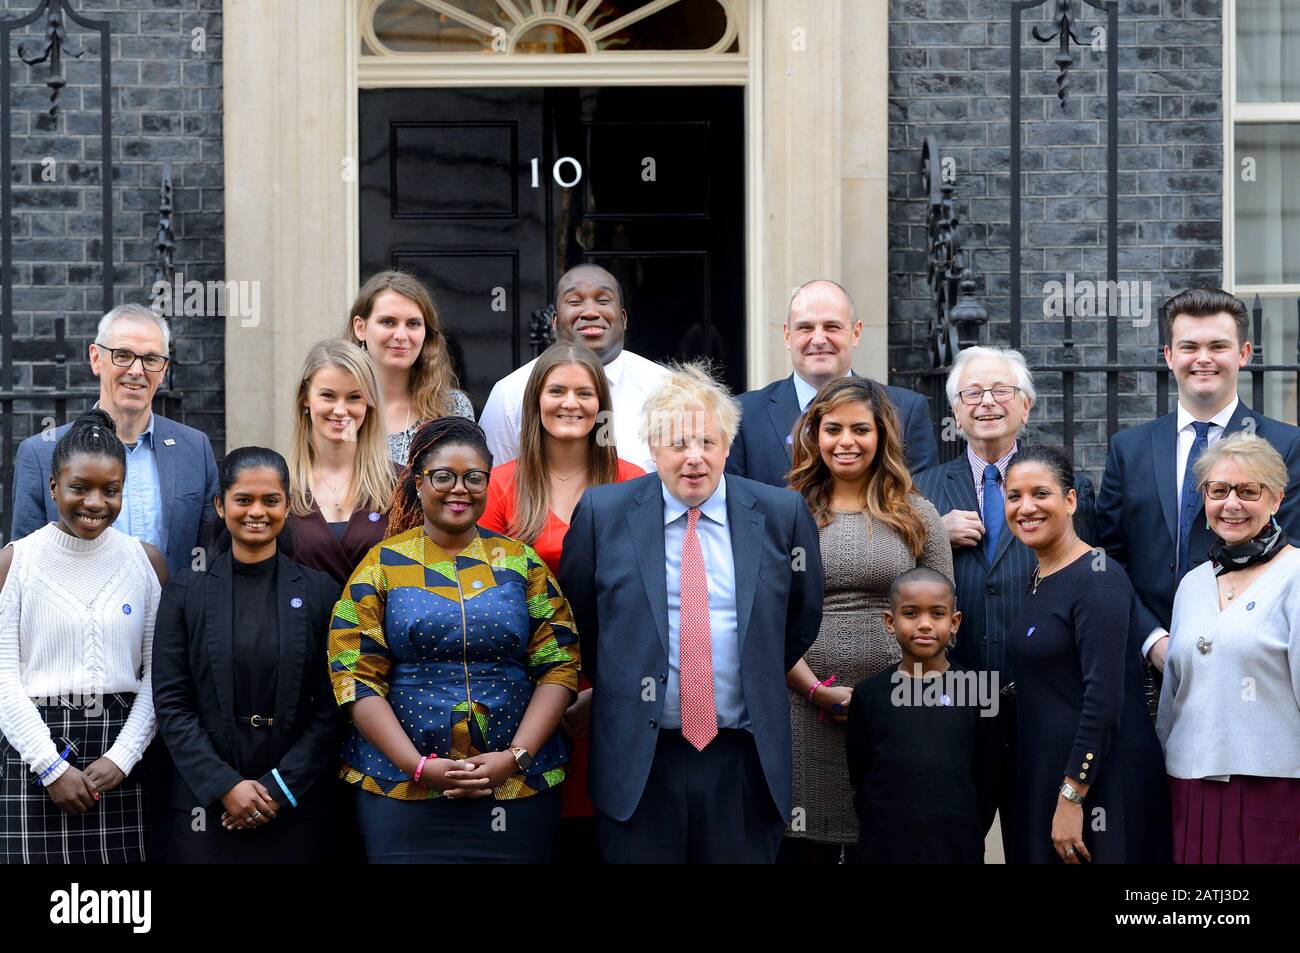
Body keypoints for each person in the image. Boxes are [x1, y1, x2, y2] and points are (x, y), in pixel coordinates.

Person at [558, 362, 824, 864]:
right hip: (641, 762)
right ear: (653, 449)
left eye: (707, 442)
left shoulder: (780, 515)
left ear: (727, 445)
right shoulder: (603, 515)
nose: (694, 458)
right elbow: (581, 625)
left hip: (743, 760)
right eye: (678, 444)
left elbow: (800, 620)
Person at [329, 417, 579, 863]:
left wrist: (515, 757)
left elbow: (559, 663)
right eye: (443, 476)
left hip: (516, 786)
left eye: (474, 477)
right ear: (419, 484)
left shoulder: (519, 561)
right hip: (400, 786)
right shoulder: (383, 563)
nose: (458, 489)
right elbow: (353, 675)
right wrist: (417, 766)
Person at [913, 345, 1097, 854]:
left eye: (1001, 391)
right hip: (956, 701)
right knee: (949, 845)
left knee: (1036, 846)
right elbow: (902, 583)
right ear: (955, 411)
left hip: (1040, 700)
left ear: (1026, 405)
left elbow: (1089, 576)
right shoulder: (922, 492)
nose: (986, 402)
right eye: (972, 393)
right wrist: (932, 532)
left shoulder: (1065, 487)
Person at [477, 341, 644, 863]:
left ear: (602, 406)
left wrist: (602, 694)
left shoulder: (635, 481)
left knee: (603, 835)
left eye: (584, 392)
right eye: (556, 391)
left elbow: (650, 607)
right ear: (535, 402)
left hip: (610, 695)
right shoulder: (500, 486)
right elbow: (482, 600)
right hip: (516, 694)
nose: (570, 403)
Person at [783, 376, 953, 862]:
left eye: (861, 429)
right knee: (807, 845)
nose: (846, 442)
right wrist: (814, 689)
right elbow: (768, 622)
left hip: (898, 712)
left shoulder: (917, 515)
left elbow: (941, 626)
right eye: (832, 428)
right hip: (802, 710)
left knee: (886, 842)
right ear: (814, 435)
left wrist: (907, 695)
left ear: (882, 437)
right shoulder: (786, 513)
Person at [152, 448, 343, 863]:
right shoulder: (187, 593)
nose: (257, 511)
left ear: (287, 506)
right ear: (221, 505)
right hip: (205, 807)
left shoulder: (319, 591)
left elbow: (331, 706)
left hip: (295, 805)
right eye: (243, 500)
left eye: (270, 500)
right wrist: (225, 785)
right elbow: (171, 704)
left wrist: (279, 788)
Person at [1098, 288, 1300, 676]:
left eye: (1218, 346)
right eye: (1189, 346)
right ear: (1169, 356)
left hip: (1249, 663)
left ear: (1243, 353)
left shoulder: (1288, 446)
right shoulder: (1129, 449)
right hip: (1143, 663)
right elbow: (1108, 558)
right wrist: (1151, 638)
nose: (1203, 359)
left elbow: (1292, 557)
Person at [0, 410, 167, 863]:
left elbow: (160, 674)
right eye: (79, 488)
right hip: (33, 750)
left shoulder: (145, 563)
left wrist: (123, 756)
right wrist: (50, 766)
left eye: (110, 491)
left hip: (122, 754)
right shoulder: (16, 563)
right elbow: (2, 679)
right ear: (53, 486)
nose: (95, 503)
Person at [1004, 445, 1170, 864]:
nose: (1026, 507)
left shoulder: (1098, 578)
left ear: (1071, 500)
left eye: (1040, 494)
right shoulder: (1042, 575)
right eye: (1014, 496)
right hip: (1052, 775)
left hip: (1099, 786)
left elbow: (1104, 699)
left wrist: (1072, 794)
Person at [1158, 433, 1300, 863]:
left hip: (1274, 789)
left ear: (1275, 499)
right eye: (1218, 491)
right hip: (1190, 785)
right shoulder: (1192, 584)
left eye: (1248, 490)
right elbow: (1172, 699)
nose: (1231, 504)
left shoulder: (1295, 576)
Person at [11, 303, 219, 578]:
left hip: (172, 618)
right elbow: (24, 569)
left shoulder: (195, 449)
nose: (136, 370)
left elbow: (212, 555)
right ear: (96, 359)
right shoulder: (40, 454)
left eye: (151, 359)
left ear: (164, 370)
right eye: (123, 355)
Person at [846, 568, 998, 863]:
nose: (925, 624)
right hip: (883, 847)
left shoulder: (980, 692)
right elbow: (860, 776)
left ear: (955, 623)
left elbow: (989, 778)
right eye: (911, 613)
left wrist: (967, 831)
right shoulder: (869, 695)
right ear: (890, 622)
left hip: (957, 847)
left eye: (937, 614)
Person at [726, 279, 938, 485]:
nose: (818, 340)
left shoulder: (906, 410)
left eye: (832, 327)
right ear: (787, 335)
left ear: (856, 333)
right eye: (806, 328)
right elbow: (737, 506)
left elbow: (922, 503)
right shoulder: (743, 414)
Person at [479, 264, 669, 471]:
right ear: (555, 322)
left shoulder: (666, 388)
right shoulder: (510, 393)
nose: (590, 312)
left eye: (603, 300)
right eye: (575, 302)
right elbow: (493, 481)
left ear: (623, 319)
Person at [284, 340, 395, 587]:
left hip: (378, 625)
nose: (341, 410)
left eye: (354, 397)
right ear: (305, 398)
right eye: (328, 396)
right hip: (300, 624)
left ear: (369, 403)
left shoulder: (399, 485)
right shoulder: (280, 484)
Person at [345, 270, 474, 466]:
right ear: (360, 327)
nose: (401, 335)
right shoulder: (338, 407)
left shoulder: (452, 408)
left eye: (413, 324)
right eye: (388, 322)